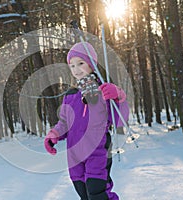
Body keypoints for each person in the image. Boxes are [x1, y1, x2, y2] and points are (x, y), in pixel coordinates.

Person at [44, 42, 127, 200]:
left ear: (91, 65)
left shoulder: (103, 91)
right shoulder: (70, 95)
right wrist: (54, 134)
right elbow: (64, 123)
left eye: (80, 63)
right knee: (84, 194)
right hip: (74, 153)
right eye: (72, 65)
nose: (76, 69)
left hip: (97, 150)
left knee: (97, 192)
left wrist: (118, 96)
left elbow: (119, 119)